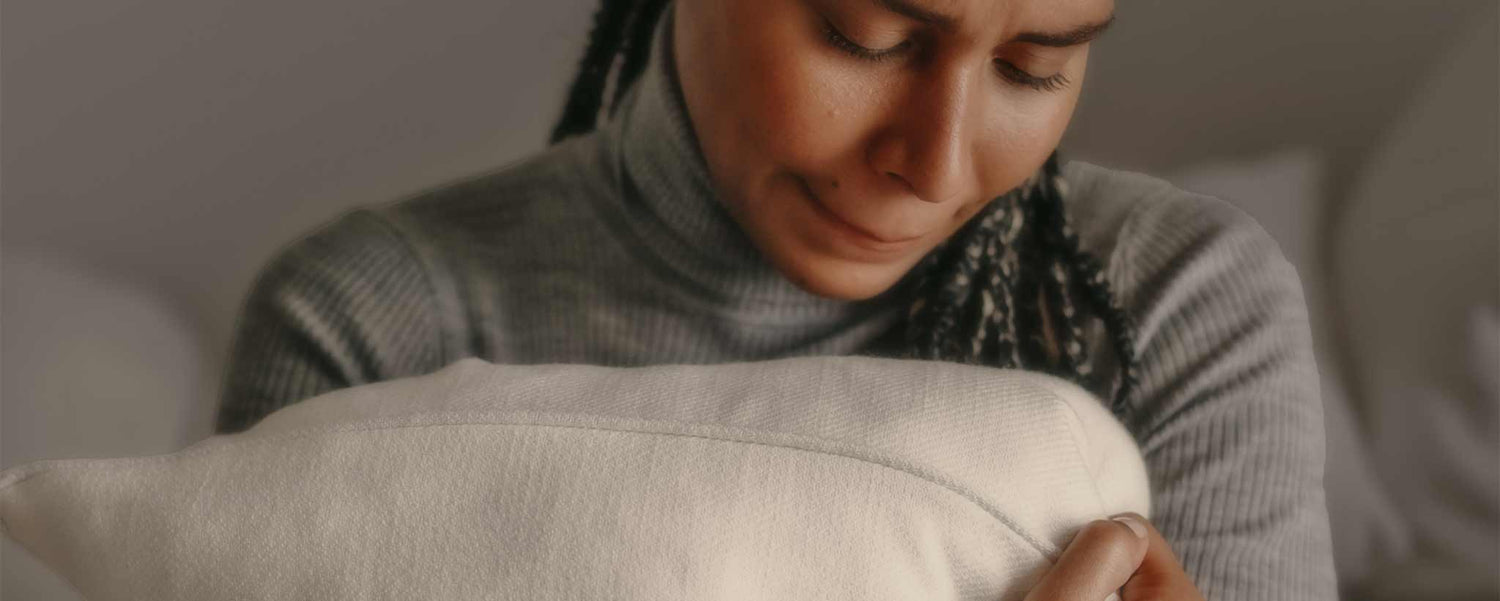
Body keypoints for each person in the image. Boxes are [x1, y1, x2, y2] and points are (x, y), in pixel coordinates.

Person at [213, 0, 1338, 598]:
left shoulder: (1174, 308)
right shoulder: (377, 324)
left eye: (1032, 66)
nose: (937, 167)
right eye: (870, 34)